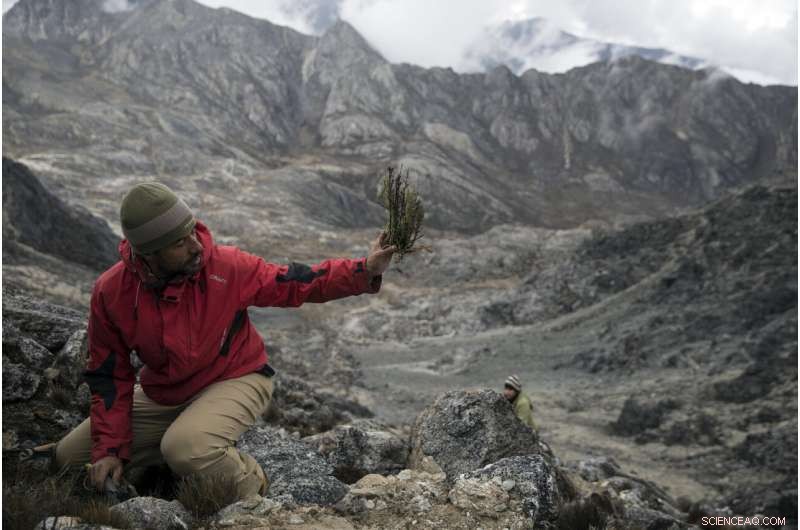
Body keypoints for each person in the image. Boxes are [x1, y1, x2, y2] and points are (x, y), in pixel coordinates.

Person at [52, 182, 396, 499]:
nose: (195, 245)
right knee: (70, 457)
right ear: (148, 254)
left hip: (238, 376)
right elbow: (110, 374)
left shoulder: (225, 266)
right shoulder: (111, 292)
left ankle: (258, 493)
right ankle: (164, 459)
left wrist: (364, 270)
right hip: (167, 392)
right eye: (179, 242)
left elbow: (296, 282)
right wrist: (110, 449)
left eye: (191, 232)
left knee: (186, 449)